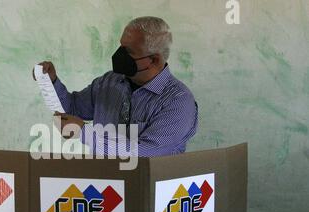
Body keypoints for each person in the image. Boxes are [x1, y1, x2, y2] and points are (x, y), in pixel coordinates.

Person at [35, 16, 198, 157]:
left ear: (154, 60)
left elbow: (145, 153)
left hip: (146, 187)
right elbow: (71, 109)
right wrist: (51, 82)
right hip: (103, 184)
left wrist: (84, 134)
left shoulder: (178, 102)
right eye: (121, 46)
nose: (119, 55)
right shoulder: (109, 82)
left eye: (129, 51)